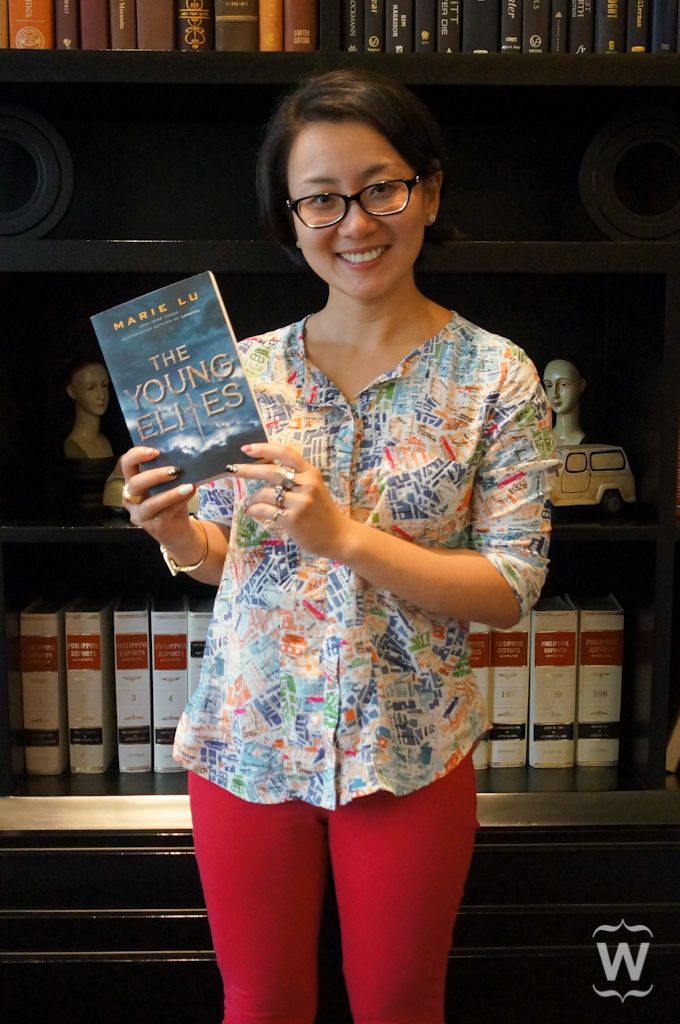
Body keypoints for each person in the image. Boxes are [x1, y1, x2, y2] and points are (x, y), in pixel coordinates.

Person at [119, 69, 555, 1024]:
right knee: (259, 1004)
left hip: (411, 747)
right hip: (247, 743)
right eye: (321, 199)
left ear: (428, 192)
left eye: (381, 188)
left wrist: (345, 539)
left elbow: (509, 585)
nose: (354, 223)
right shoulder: (241, 372)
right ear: (291, 218)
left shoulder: (498, 377)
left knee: (400, 1005)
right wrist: (178, 534)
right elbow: (231, 559)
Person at [63, 359, 114, 459]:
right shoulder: (74, 448)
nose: (101, 395)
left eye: (104, 385)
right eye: (90, 388)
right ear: (71, 391)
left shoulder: (109, 440)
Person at [542, 358, 587, 445]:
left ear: (581, 385)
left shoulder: (590, 443)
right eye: (549, 385)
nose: (555, 394)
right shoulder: (540, 441)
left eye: (563, 384)